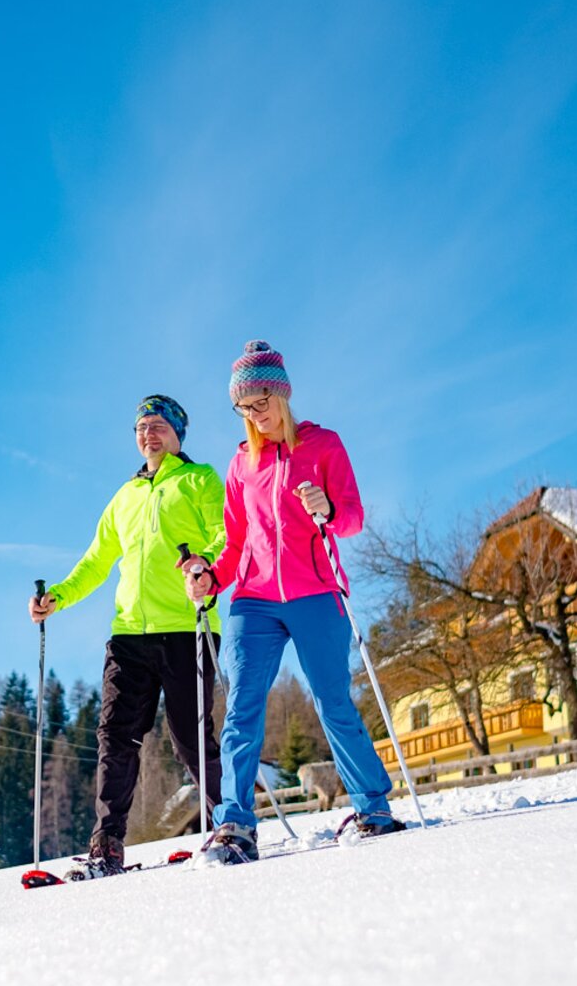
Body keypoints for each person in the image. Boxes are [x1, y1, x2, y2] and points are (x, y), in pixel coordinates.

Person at [182, 340, 401, 864]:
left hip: (316, 591)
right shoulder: (241, 465)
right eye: (243, 407)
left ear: (282, 395)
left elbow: (352, 517)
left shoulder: (323, 445)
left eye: (261, 402)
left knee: (332, 700)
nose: (254, 414)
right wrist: (211, 576)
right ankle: (235, 822)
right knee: (242, 707)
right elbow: (235, 541)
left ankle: (373, 807)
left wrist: (328, 508)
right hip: (254, 599)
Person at [29, 395, 226, 877]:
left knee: (190, 738)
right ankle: (108, 843)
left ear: (177, 433)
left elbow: (225, 534)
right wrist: (58, 596)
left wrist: (207, 567)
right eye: (141, 427)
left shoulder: (200, 479)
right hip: (128, 635)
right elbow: (97, 560)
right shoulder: (125, 496)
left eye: (158, 425)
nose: (148, 434)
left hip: (187, 625)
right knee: (116, 736)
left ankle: (229, 822)